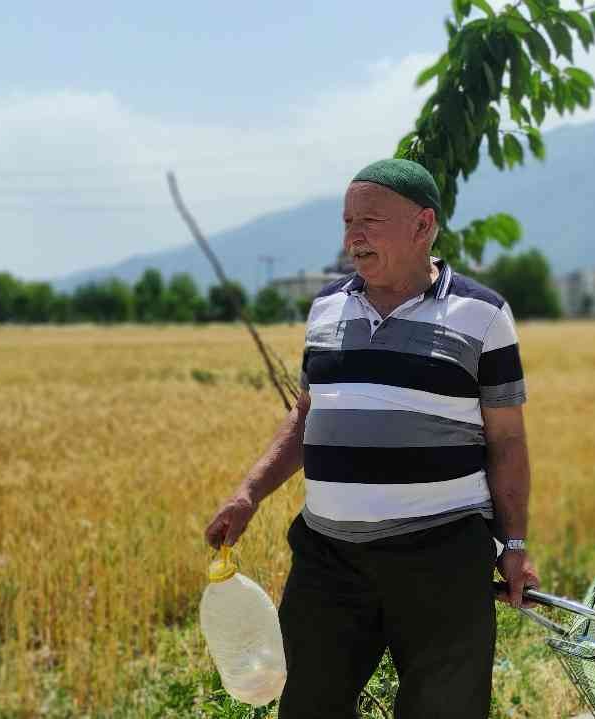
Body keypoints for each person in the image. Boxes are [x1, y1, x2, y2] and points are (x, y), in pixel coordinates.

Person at [203, 158, 538, 717]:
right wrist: (249, 493)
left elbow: (507, 442)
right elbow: (309, 413)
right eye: (347, 221)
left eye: (371, 221)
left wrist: (516, 546)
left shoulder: (482, 315)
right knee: (309, 705)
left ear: (423, 225)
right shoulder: (327, 307)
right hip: (329, 560)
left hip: (442, 556)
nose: (353, 237)